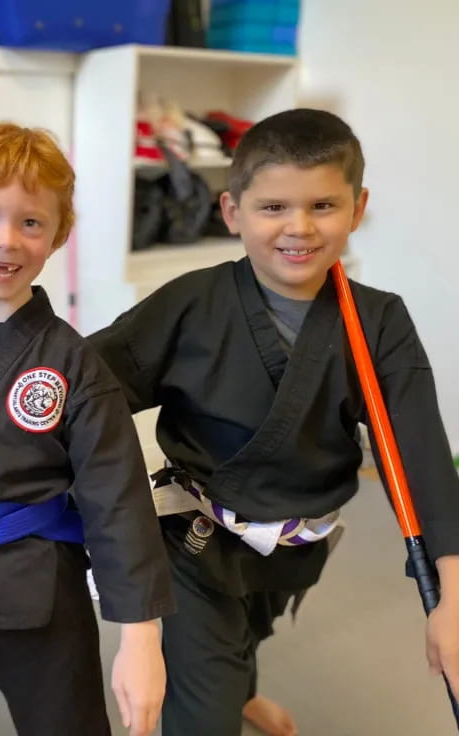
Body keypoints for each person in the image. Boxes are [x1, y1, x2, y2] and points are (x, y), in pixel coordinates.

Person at [90, 108, 459, 736]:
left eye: (323, 206)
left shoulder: (379, 322)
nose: (299, 227)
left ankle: (239, 689)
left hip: (293, 543)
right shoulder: (190, 303)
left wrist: (452, 596)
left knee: (249, 630)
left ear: (358, 206)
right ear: (233, 211)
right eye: (273, 208)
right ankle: (220, 699)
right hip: (195, 540)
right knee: (203, 705)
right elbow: (89, 390)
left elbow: (421, 453)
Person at [0, 122, 175, 736]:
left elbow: (116, 499)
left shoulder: (73, 365)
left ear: (58, 235)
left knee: (64, 721)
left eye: (31, 222)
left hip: (38, 575)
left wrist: (140, 636)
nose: (5, 240)